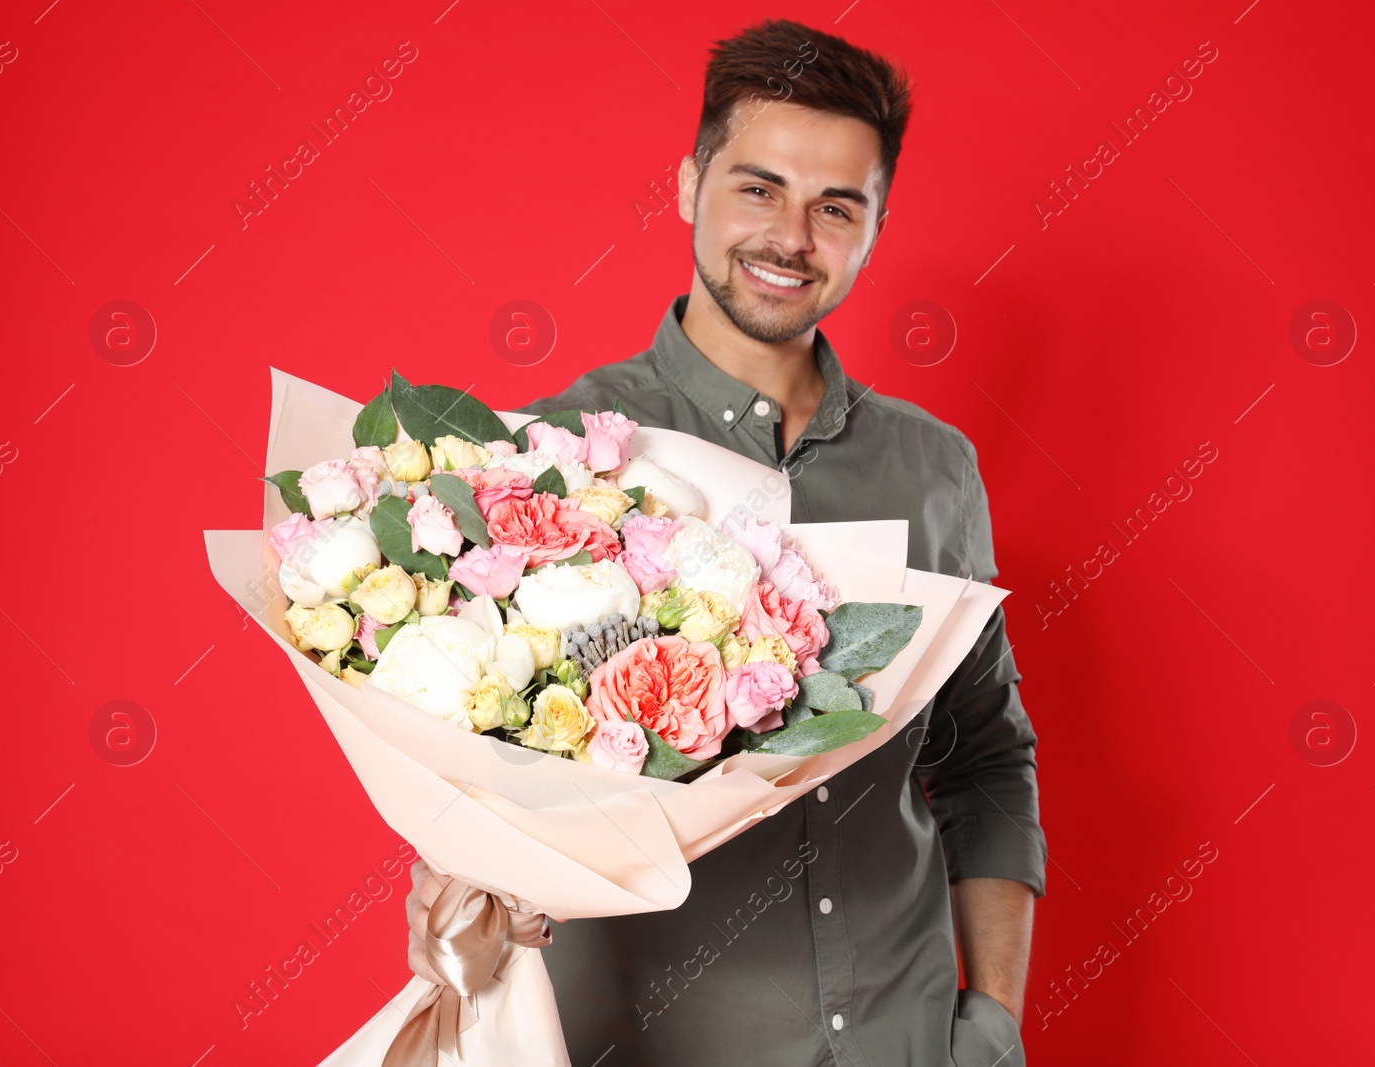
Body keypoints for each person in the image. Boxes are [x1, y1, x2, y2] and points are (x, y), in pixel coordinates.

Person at [406, 18, 1046, 1066]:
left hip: (907, 1032)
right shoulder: (557, 464)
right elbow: (475, 777)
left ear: (874, 227)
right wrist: (461, 894)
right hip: (654, 1039)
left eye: (836, 206)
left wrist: (995, 1019)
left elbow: (985, 760)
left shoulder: (935, 469)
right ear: (688, 185)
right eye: (758, 188)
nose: (792, 236)